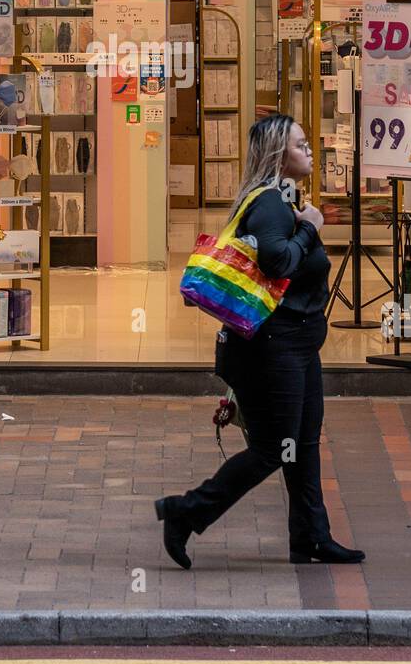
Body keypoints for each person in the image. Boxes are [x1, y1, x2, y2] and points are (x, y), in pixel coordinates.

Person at [156, 114, 365, 568]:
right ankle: (185, 511)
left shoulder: (284, 199)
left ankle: (311, 537)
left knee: (303, 443)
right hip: (274, 347)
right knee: (274, 447)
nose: (310, 150)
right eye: (300, 144)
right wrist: (311, 227)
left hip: (298, 345)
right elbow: (277, 264)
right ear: (277, 154)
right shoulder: (271, 203)